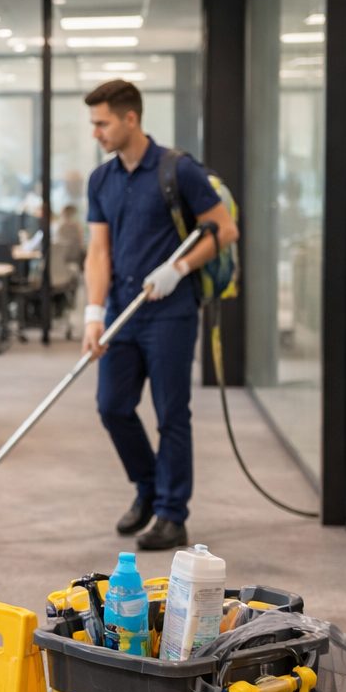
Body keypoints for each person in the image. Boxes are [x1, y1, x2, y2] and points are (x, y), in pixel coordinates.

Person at [80, 79, 238, 552]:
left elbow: (224, 229)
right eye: (93, 124)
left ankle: (172, 513)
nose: (96, 133)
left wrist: (179, 268)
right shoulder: (101, 180)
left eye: (102, 123)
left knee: (171, 414)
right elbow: (99, 252)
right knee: (112, 406)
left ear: (131, 119)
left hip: (171, 311)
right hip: (121, 312)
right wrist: (93, 314)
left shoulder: (178, 169)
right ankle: (148, 488)